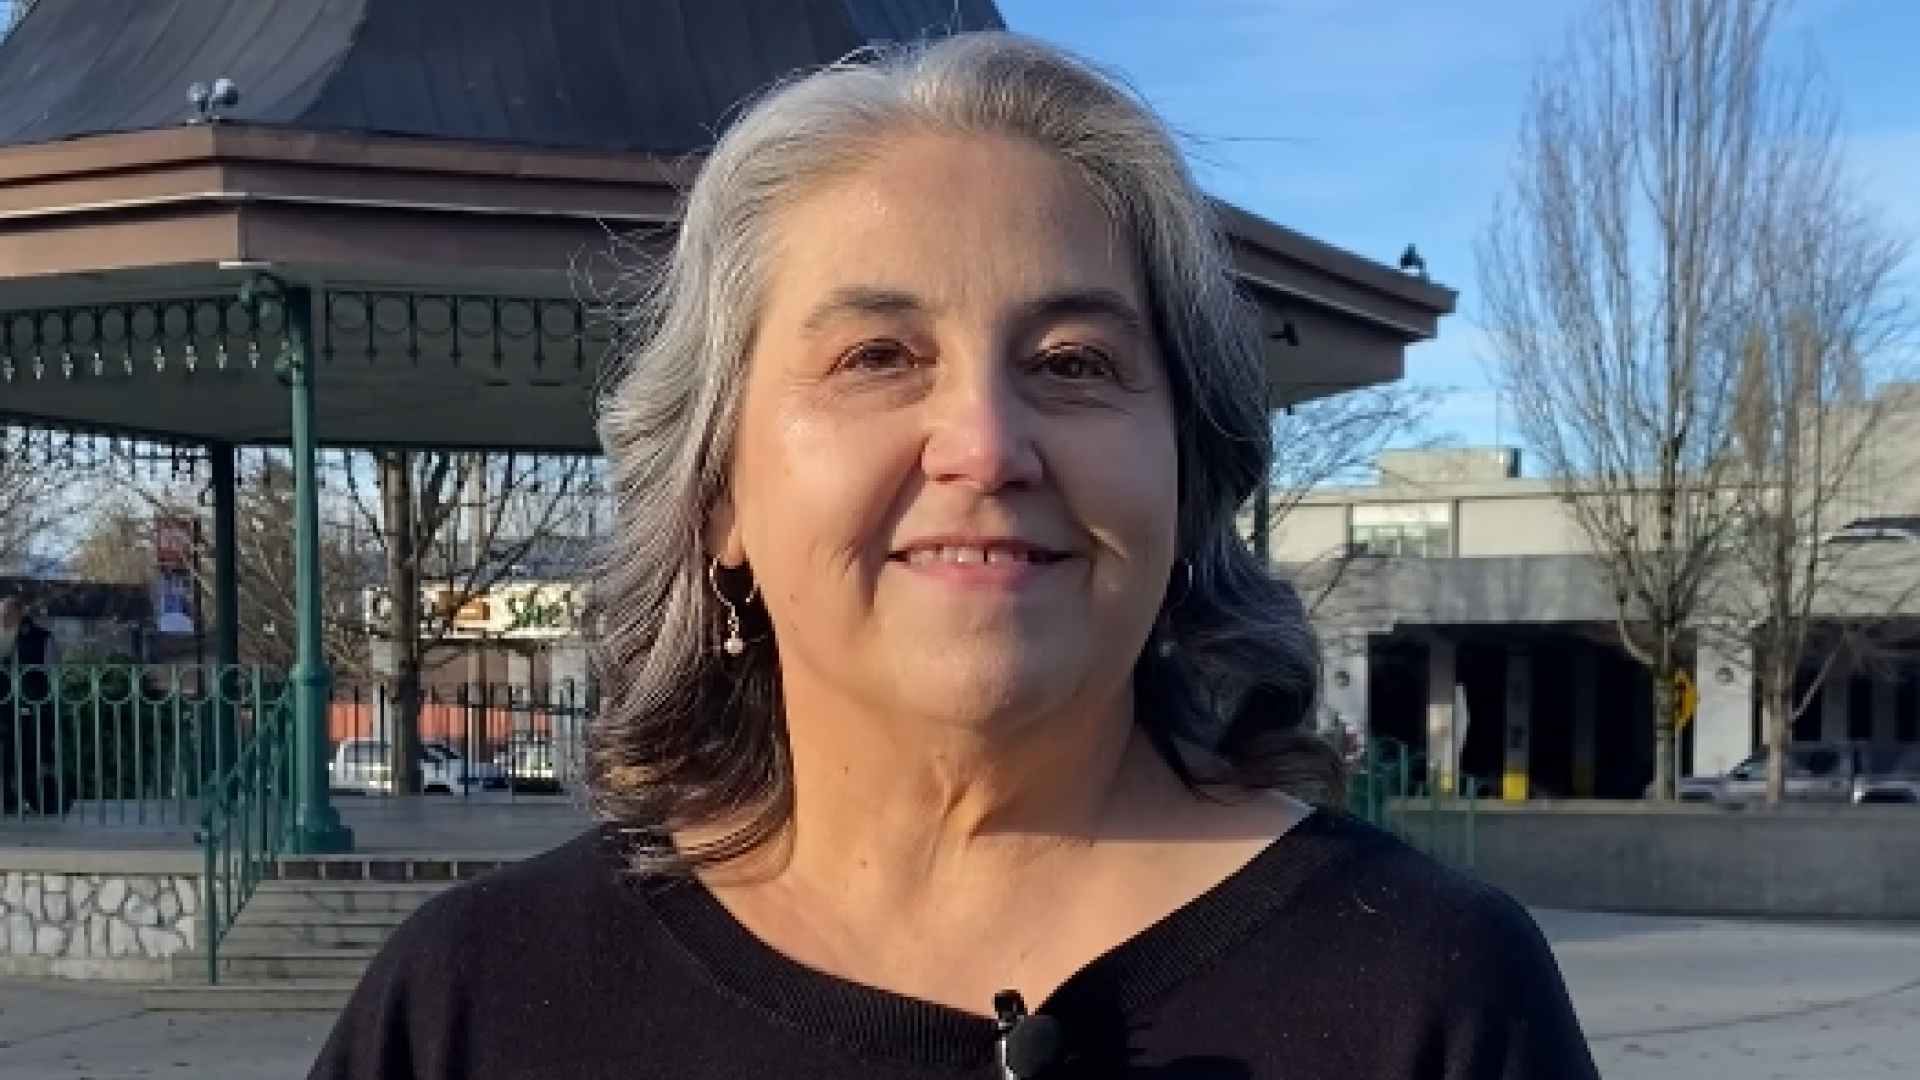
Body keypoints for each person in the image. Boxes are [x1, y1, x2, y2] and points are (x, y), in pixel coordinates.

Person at [310, 32, 1599, 1079]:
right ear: (717, 495)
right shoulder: (480, 1007)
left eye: (1076, 364)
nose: (986, 444)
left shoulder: (1431, 998)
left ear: (1184, 478)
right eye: (878, 357)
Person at [0, 593, 61, 815]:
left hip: (32, 702)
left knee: (32, 753)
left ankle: (40, 799)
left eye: (7, 613)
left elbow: (52, 671)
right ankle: (7, 798)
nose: (3, 618)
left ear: (18, 613)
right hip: (5, 704)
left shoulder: (41, 637)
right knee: (6, 754)